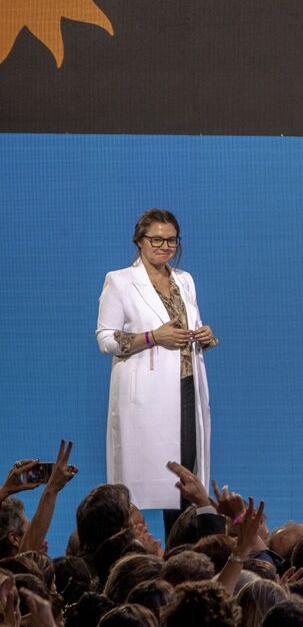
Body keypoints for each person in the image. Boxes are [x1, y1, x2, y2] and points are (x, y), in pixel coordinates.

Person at [95, 209, 217, 535]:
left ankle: (183, 552)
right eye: (156, 240)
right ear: (140, 241)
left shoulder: (184, 280)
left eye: (171, 240)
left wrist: (205, 336)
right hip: (146, 397)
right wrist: (152, 337)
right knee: (145, 484)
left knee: (185, 479)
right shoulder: (120, 281)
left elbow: (189, 325)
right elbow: (105, 338)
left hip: (186, 387)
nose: (164, 246)